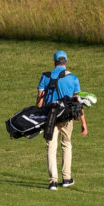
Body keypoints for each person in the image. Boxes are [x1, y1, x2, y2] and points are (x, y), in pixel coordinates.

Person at [37, 51, 87, 191]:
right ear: (66, 62)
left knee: (51, 147)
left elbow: (39, 100)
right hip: (66, 116)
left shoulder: (45, 77)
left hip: (49, 116)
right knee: (66, 144)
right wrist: (83, 123)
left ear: (54, 62)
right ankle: (66, 178)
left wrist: (39, 118)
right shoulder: (73, 78)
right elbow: (79, 102)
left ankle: (52, 181)